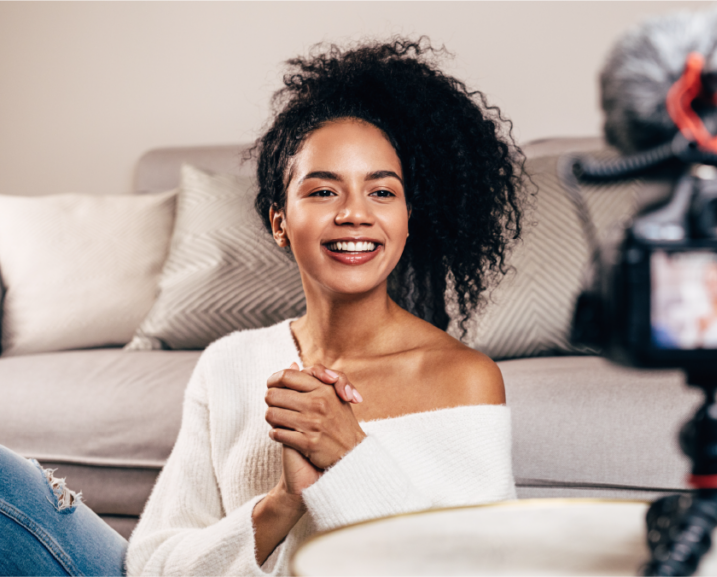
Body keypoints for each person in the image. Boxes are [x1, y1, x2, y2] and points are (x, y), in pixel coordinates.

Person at [1, 37, 525, 577]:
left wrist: (349, 455)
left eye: (382, 192)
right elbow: (153, 563)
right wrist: (282, 503)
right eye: (323, 192)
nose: (354, 214)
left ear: (409, 218)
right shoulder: (229, 363)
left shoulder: (463, 378)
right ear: (280, 222)